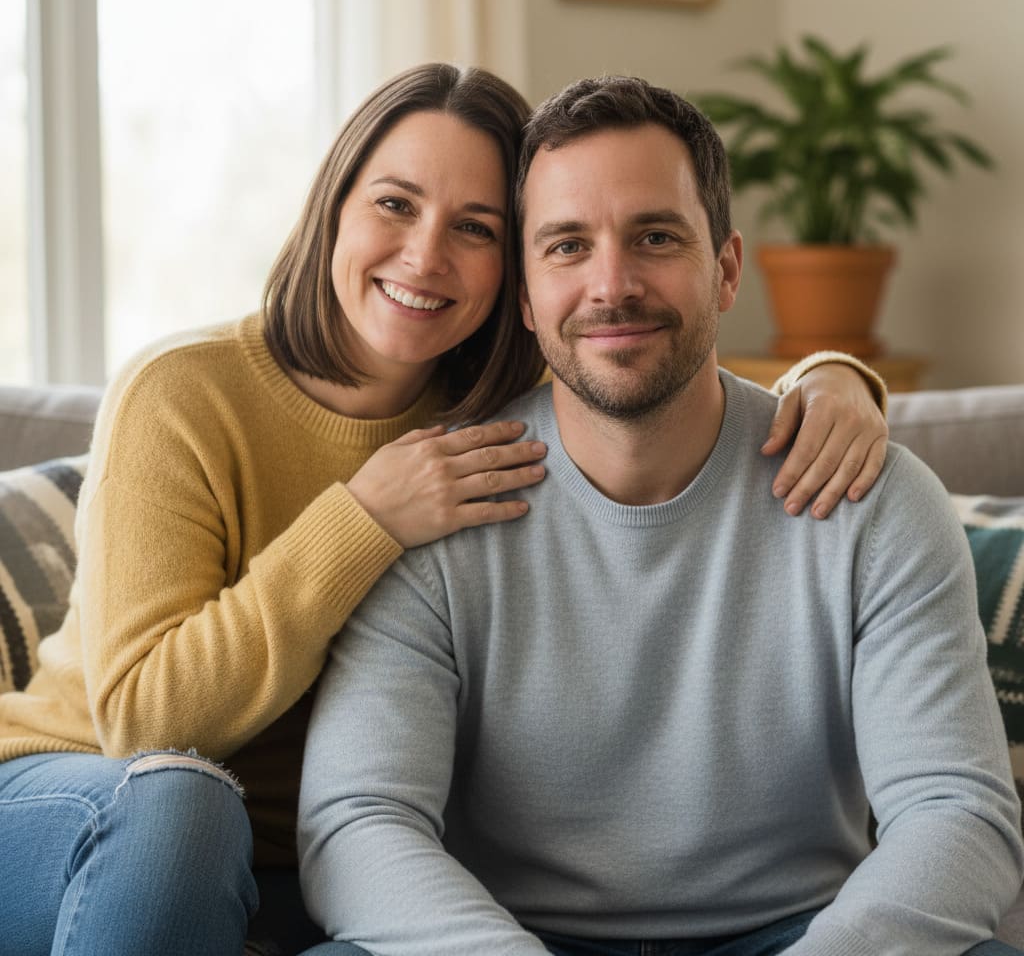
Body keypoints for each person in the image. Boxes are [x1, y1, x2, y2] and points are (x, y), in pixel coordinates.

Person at [0, 63, 886, 956]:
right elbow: (146, 725)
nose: (426, 256)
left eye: (475, 228)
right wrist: (363, 519)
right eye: (394, 204)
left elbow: (643, 372)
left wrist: (832, 380)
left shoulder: (498, 416)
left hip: (303, 865)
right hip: (85, 803)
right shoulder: (183, 394)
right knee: (186, 808)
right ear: (332, 207)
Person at [297, 74, 1024, 956]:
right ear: (525, 295)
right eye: (566, 246)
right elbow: (357, 821)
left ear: (724, 269)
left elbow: (959, 813)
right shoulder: (432, 500)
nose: (613, 284)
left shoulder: (871, 498)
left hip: (802, 936)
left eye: (654, 236)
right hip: (503, 939)